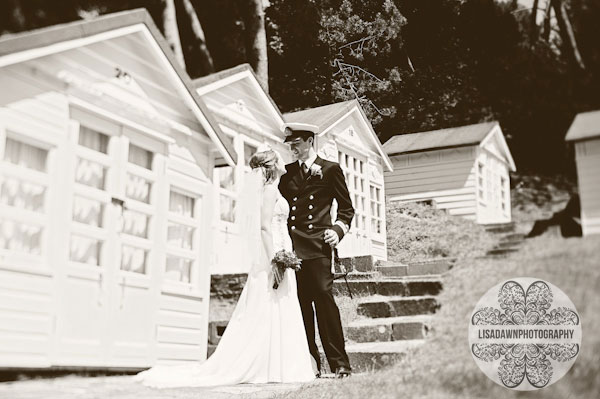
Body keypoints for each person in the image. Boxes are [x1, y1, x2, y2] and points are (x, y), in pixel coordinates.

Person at [134, 146, 315, 388]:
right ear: (272, 167)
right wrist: (276, 260)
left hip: (280, 253)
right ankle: (270, 365)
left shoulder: (272, 189)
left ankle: (277, 365)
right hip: (274, 256)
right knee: (270, 306)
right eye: (279, 159)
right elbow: (264, 227)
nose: (285, 162)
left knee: (275, 307)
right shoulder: (271, 191)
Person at [278, 122, 355, 378]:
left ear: (310, 141)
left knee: (324, 299)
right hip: (292, 248)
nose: (293, 149)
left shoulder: (330, 169)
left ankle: (340, 363)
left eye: (297, 143)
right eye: (290, 145)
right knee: (300, 304)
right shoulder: (286, 174)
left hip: (319, 245)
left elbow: (347, 209)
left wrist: (338, 230)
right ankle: (310, 363)